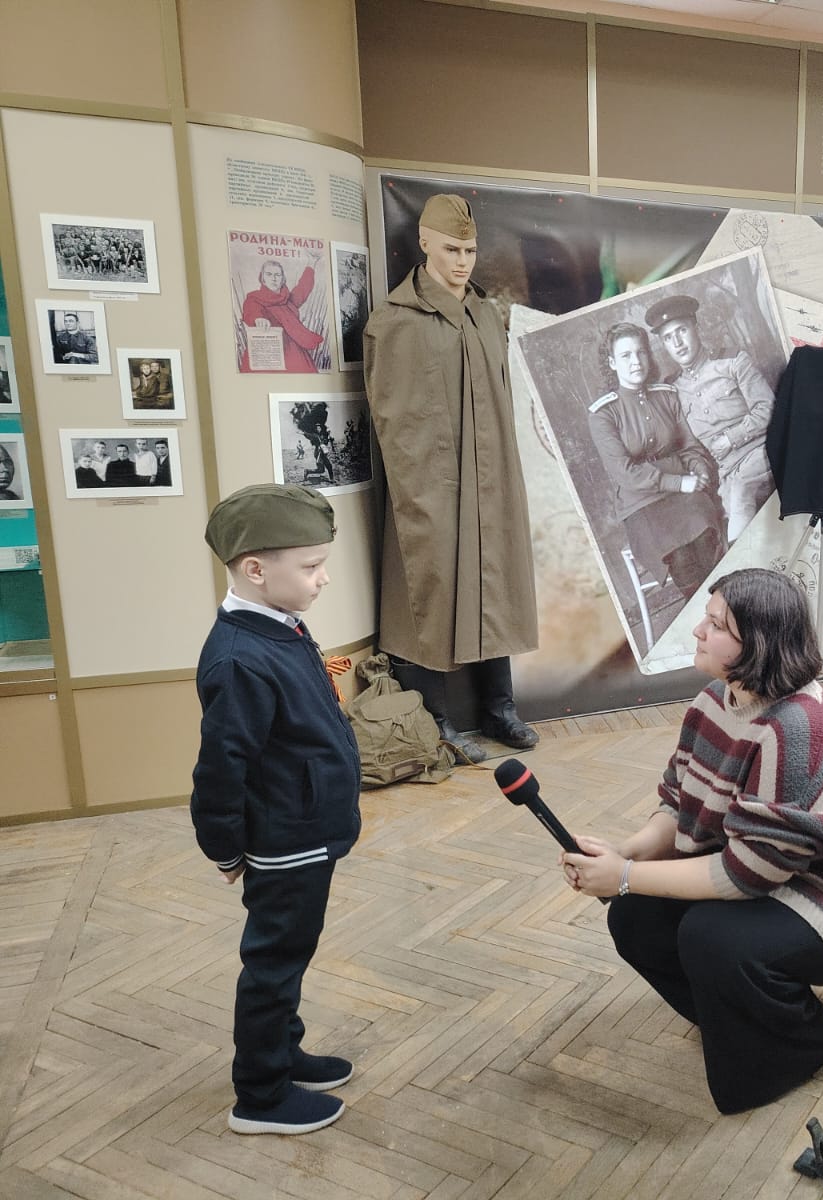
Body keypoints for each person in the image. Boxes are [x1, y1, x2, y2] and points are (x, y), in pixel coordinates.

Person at [561, 568, 823, 1113]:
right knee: (634, 916)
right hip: (776, 871)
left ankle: (803, 1047)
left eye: (717, 625)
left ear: (760, 643)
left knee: (711, 937)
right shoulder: (715, 698)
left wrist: (626, 875)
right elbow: (679, 802)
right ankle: (743, 1020)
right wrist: (625, 854)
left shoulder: (796, 728)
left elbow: (742, 876)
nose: (699, 631)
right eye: (706, 619)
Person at [191, 484, 361, 1136]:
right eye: (311, 565)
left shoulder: (279, 625)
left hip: (306, 829)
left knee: (291, 951)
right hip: (286, 840)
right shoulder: (239, 658)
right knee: (274, 964)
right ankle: (260, 1096)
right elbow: (220, 769)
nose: (323, 578)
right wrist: (224, 847)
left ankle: (284, 1053)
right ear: (256, 569)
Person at [365, 193, 541, 763]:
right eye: (450, 250)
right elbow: (393, 419)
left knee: (495, 583)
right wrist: (421, 492)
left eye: (469, 251)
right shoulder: (397, 320)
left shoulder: (485, 313)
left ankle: (498, 707)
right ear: (424, 244)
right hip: (434, 485)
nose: (462, 262)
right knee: (432, 591)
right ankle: (435, 719)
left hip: (492, 477)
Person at [588, 321, 726, 602]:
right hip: (641, 503)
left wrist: (699, 470)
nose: (636, 361)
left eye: (641, 352)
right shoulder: (603, 414)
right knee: (681, 555)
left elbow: (688, 446)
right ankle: (704, 613)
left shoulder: (666, 395)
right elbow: (624, 472)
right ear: (612, 363)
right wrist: (679, 482)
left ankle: (731, 607)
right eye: (626, 355)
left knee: (705, 536)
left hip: (686, 492)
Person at [645, 294, 776, 541]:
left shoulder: (732, 361)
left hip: (761, 453)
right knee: (716, 526)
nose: (677, 343)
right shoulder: (672, 390)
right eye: (668, 338)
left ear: (696, 327)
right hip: (725, 474)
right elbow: (685, 445)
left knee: (741, 497)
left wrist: (731, 438)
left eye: (681, 330)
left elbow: (768, 408)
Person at [241, 258, 325, 373]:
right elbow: (251, 310)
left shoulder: (288, 300)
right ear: (263, 278)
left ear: (282, 279)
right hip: (267, 352)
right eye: (269, 274)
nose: (273, 278)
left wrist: (312, 263)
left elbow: (303, 288)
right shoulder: (254, 298)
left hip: (293, 351)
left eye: (277, 275)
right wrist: (258, 318)